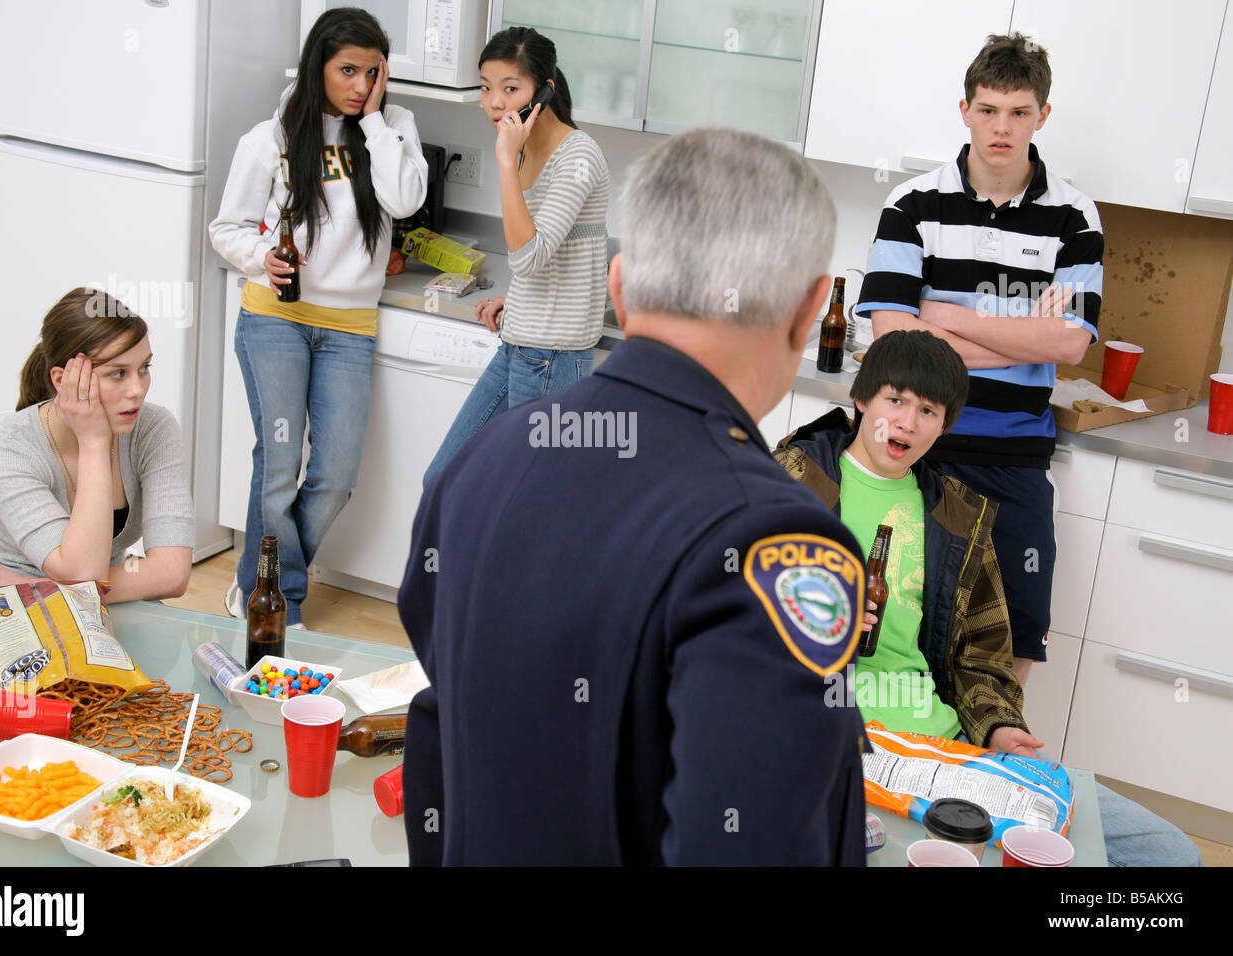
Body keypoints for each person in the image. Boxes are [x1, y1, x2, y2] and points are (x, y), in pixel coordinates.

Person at [401, 128, 867, 865]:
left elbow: (437, 742)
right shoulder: (774, 540)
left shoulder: (480, 461)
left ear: (617, 285)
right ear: (810, 312)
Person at [775, 330, 1201, 867]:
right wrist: (806, 618)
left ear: (945, 426)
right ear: (861, 398)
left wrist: (998, 726)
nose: (907, 421)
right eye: (895, 399)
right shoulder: (787, 482)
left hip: (942, 749)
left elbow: (982, 654)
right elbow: (712, 610)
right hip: (829, 740)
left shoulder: (959, 517)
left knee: (1168, 855)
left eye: (928, 410)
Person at [854, 33, 1104, 687]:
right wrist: (1023, 332)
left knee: (1016, 635)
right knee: (894, 627)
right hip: (912, 452)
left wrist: (943, 317)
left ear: (1042, 116)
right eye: (988, 110)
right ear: (964, 109)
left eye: (1019, 112)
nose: (1002, 127)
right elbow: (892, 348)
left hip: (1014, 460)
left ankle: (992, 780)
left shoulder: (1073, 217)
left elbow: (1070, 343)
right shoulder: (911, 206)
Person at [209, 8, 427, 627]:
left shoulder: (396, 126)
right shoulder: (272, 137)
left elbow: (406, 199)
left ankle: (263, 577)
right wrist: (262, 257)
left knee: (333, 476)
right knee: (278, 466)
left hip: (349, 328)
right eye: (347, 71)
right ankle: (278, 602)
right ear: (319, 68)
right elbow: (225, 229)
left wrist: (377, 120)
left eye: (372, 71)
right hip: (275, 318)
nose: (360, 85)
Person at [422, 27, 609, 487]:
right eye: (487, 88)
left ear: (543, 89)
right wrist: (519, 299)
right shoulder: (524, 148)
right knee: (444, 481)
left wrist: (505, 162)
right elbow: (540, 255)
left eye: (511, 88)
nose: (494, 102)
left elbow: (529, 256)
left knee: (526, 507)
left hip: (553, 360)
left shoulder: (578, 157)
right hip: (520, 347)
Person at [0, 288, 193, 603]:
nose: (137, 390)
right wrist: (94, 442)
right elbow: (85, 573)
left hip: (58, 597)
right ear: (62, 381)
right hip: (10, 612)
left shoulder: (154, 428)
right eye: (117, 373)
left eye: (144, 368)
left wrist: (31, 588)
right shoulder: (3, 449)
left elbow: (172, 574)